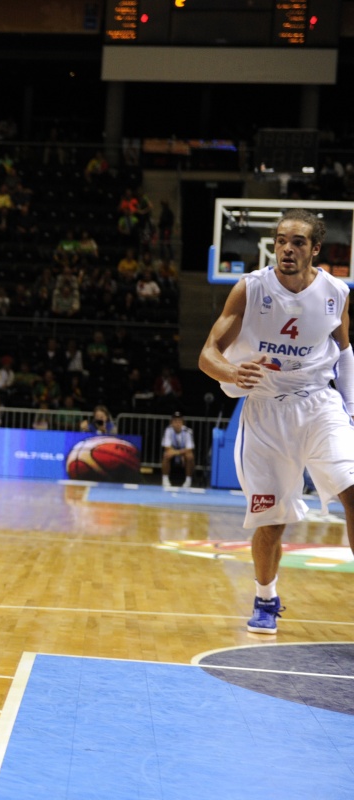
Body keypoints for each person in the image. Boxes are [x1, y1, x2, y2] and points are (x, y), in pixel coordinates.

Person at [198, 208, 354, 635]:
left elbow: (344, 352)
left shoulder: (335, 292)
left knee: (353, 490)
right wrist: (229, 372)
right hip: (266, 409)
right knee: (271, 521)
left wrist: (350, 409)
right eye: (281, 240)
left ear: (315, 249)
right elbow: (207, 353)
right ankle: (266, 598)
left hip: (319, 403)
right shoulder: (249, 289)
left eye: (298, 241)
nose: (287, 248)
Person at [160, 411, 194, 488]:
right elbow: (167, 447)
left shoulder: (188, 431)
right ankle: (165, 479)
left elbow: (189, 449)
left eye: (179, 421)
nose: (177, 423)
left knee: (190, 456)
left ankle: (188, 481)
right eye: (175, 421)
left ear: (182, 422)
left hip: (182, 453)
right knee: (166, 455)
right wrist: (176, 453)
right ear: (171, 422)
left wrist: (177, 453)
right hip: (174, 453)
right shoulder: (168, 430)